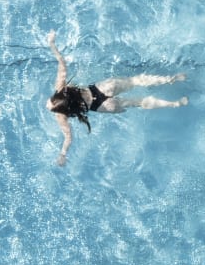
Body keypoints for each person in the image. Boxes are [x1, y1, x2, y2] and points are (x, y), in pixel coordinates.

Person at [46, 31, 188, 166]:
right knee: (136, 81)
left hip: (104, 106)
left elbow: (68, 138)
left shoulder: (60, 116)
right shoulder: (61, 88)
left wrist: (63, 155)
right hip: (104, 88)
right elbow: (62, 63)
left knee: (138, 102)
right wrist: (52, 44)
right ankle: (170, 79)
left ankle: (173, 103)